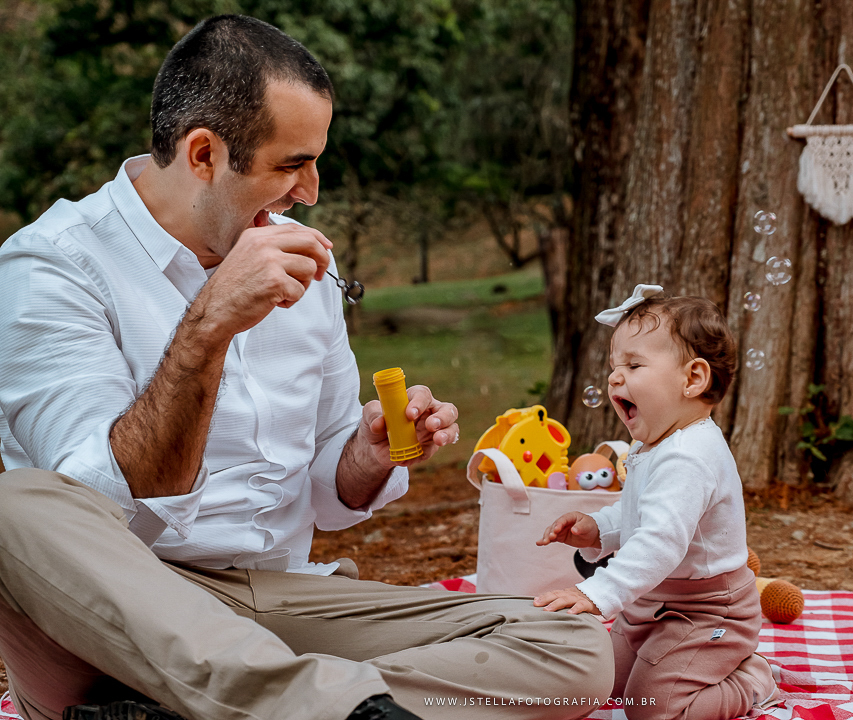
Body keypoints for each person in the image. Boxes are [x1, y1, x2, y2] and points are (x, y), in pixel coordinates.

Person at [0, 15, 613, 720]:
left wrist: (366, 454)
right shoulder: (51, 267)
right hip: (118, 618)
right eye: (291, 165)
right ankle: (334, 705)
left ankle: (264, 705)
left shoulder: (301, 258)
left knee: (571, 646)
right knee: (15, 506)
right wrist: (208, 326)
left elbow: (326, 490)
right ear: (203, 154)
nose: (311, 191)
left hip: (280, 600)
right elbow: (95, 511)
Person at [534, 284, 779, 720]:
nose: (614, 377)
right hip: (652, 602)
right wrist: (600, 529)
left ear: (693, 379)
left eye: (633, 365)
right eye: (613, 366)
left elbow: (661, 541)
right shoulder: (654, 445)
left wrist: (597, 591)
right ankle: (677, 661)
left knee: (653, 706)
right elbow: (641, 513)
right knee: (601, 679)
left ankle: (750, 680)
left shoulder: (689, 456)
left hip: (708, 612)